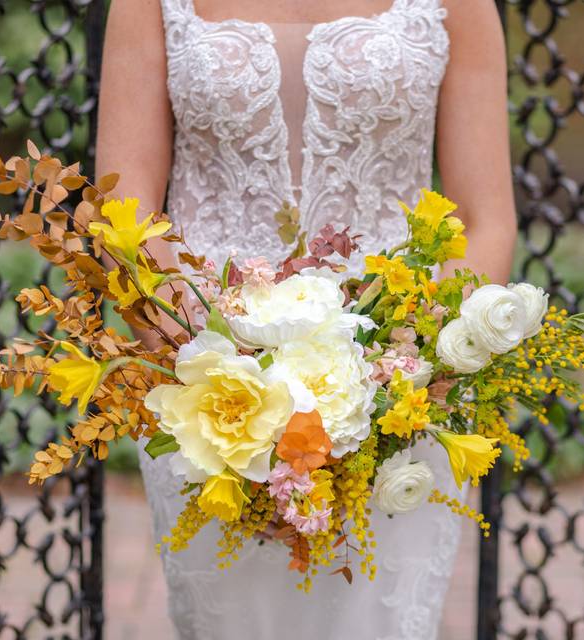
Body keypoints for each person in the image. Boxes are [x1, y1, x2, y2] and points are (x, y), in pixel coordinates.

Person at [96, 1, 517, 637]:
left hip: (405, 390)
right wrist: (207, 374)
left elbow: (485, 220)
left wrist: (406, 379)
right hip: (209, 398)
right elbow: (122, 215)